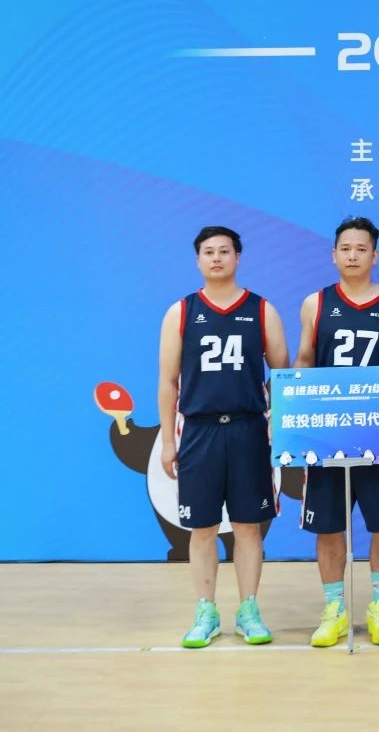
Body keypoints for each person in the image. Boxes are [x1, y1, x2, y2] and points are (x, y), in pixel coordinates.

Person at [294, 217, 379, 648]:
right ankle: (334, 610)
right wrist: (296, 407)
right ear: (334, 254)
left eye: (361, 248)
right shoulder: (316, 303)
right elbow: (304, 359)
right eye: (345, 248)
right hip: (328, 433)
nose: (352, 255)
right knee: (329, 527)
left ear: (375, 255)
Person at [157, 226, 289, 648]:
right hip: (200, 431)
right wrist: (168, 441)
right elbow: (168, 382)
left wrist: (278, 424)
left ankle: (249, 610)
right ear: (198, 260)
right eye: (209, 252)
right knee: (202, 528)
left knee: (249, 527)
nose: (216, 258)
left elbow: (283, 376)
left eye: (224, 251)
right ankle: (206, 611)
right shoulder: (181, 312)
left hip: (249, 429)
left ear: (238, 257)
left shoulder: (262, 310)